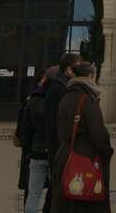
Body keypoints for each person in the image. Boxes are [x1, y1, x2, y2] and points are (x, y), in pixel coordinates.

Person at [52, 61, 113, 213]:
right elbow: (98, 134)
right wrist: (107, 150)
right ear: (91, 75)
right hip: (86, 161)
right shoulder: (87, 100)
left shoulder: (66, 97)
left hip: (65, 156)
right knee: (89, 202)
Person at [43, 51, 81, 213]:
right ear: (68, 69)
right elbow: (55, 122)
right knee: (58, 189)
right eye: (77, 68)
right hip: (59, 147)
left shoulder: (61, 86)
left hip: (59, 146)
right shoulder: (59, 89)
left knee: (57, 189)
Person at [17, 71, 55, 213]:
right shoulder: (56, 103)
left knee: (33, 194)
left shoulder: (31, 101)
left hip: (36, 151)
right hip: (52, 152)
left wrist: (27, 152)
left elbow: (24, 129)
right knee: (55, 192)